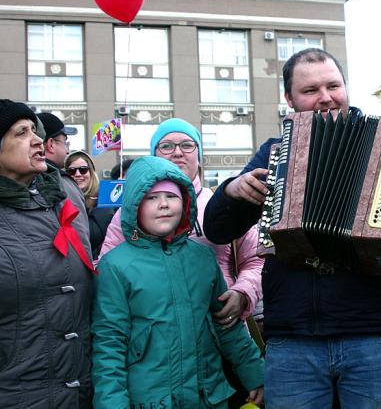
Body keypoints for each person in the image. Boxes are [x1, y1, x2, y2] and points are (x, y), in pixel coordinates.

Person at [203, 48, 381, 408]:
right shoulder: (275, 150)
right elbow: (217, 229)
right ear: (289, 99)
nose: (325, 97)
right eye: (310, 90)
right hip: (293, 337)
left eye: (333, 85)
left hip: (371, 331)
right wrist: (232, 189)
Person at [91, 156, 264, 408]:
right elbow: (109, 344)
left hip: (207, 397)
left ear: (185, 202)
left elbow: (228, 326)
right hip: (149, 400)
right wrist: (112, 403)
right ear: (134, 205)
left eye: (172, 196)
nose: (163, 204)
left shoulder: (202, 257)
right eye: (151, 198)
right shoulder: (115, 266)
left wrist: (255, 375)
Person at [100, 119, 262, 329]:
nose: (177, 153)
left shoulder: (225, 204)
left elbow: (256, 260)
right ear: (154, 154)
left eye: (187, 145)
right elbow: (106, 268)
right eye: (166, 146)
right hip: (151, 336)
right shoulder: (129, 212)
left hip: (220, 330)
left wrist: (243, 292)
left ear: (199, 155)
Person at [0, 99, 94, 407]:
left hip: (78, 390)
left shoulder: (64, 199)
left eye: (35, 130)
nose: (38, 140)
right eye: (22, 132)